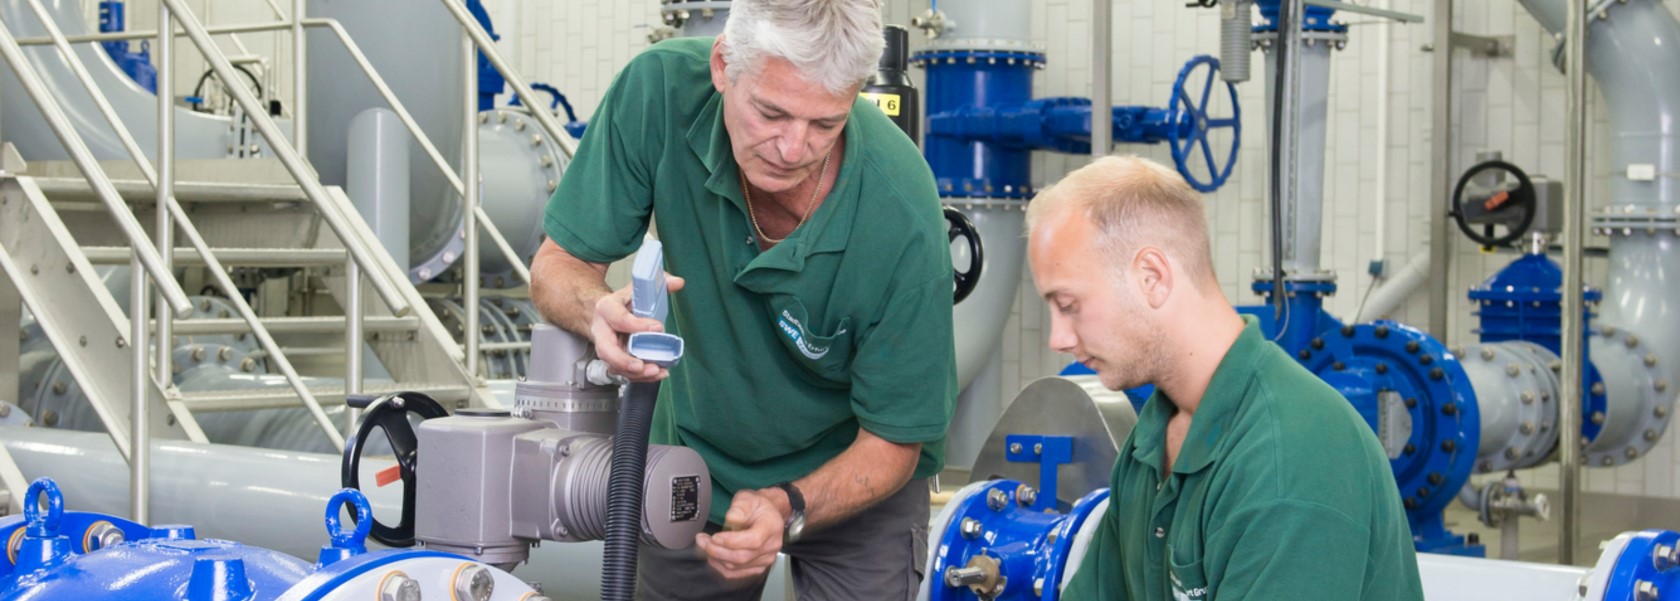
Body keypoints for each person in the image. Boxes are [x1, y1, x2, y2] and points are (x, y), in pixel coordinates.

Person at [529, 0, 956, 598]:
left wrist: (788, 506)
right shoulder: (657, 93)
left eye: (826, 124)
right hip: (693, 465)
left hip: (856, 478)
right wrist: (593, 309)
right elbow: (559, 265)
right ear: (724, 65)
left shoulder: (903, 213)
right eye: (771, 113)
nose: (793, 148)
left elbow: (895, 438)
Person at [1025, 156, 1423, 600]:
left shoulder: (1288, 460)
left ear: (1151, 276)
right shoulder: (1149, 444)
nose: (1057, 339)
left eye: (1068, 304)